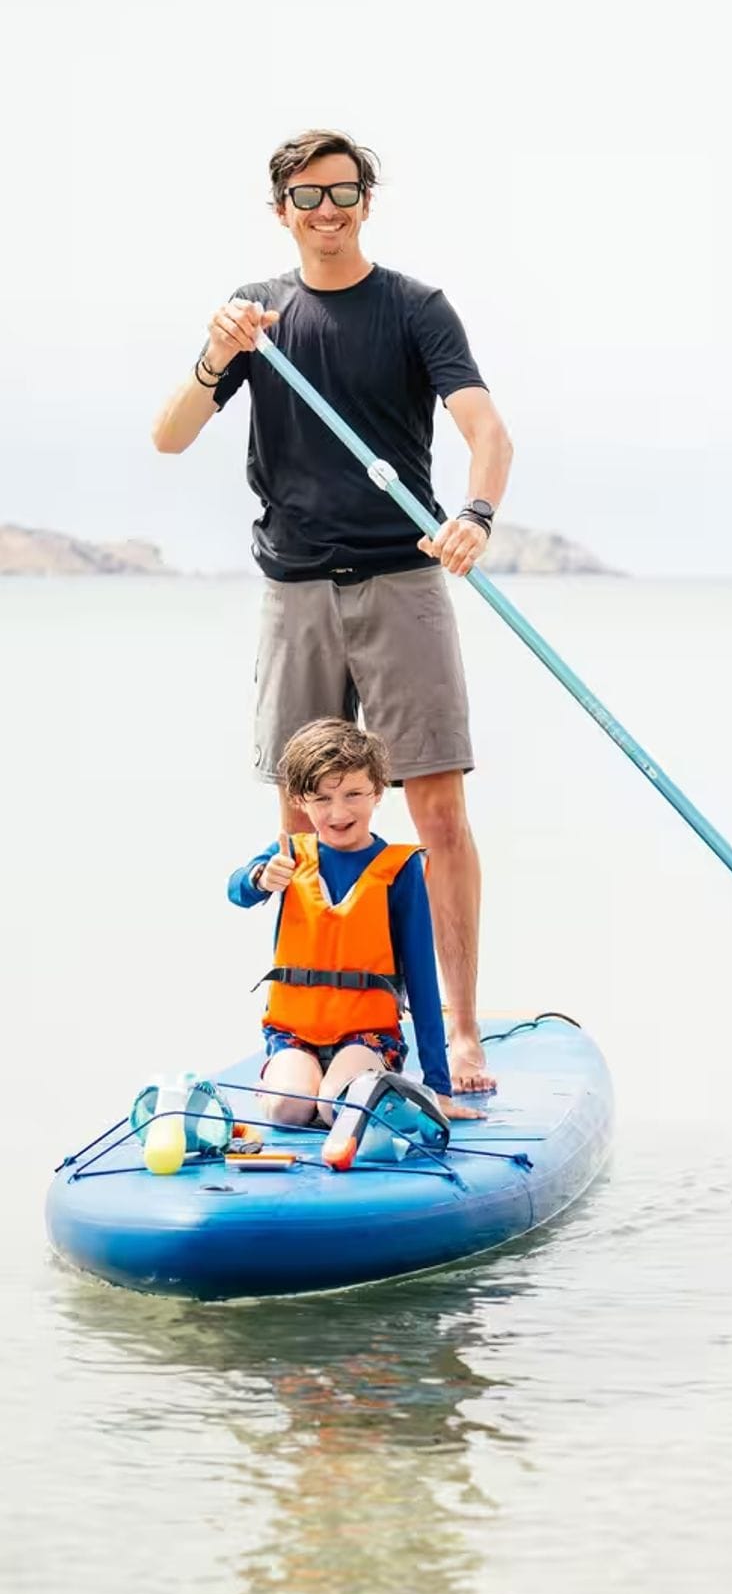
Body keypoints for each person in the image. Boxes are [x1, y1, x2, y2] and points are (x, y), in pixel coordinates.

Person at [153, 128, 513, 1095]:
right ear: (281, 211)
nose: (327, 210)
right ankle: (309, 1027)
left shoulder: (414, 308)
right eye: (307, 197)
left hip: (404, 579)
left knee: (435, 813)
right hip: (296, 588)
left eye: (343, 192)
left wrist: (474, 515)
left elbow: (484, 426)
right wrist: (212, 357)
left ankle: (463, 1030)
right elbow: (170, 437)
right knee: (303, 820)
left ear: (366, 200)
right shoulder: (256, 314)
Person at [228, 718, 484, 1125]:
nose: (338, 811)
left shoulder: (399, 870)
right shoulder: (289, 854)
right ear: (299, 799)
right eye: (322, 798)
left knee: (337, 1107)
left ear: (378, 793)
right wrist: (259, 878)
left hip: (367, 1037)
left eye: (353, 794)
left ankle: (361, 1087)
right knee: (286, 1110)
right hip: (293, 1034)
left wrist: (438, 1087)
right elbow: (237, 891)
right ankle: (290, 1084)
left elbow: (421, 978)